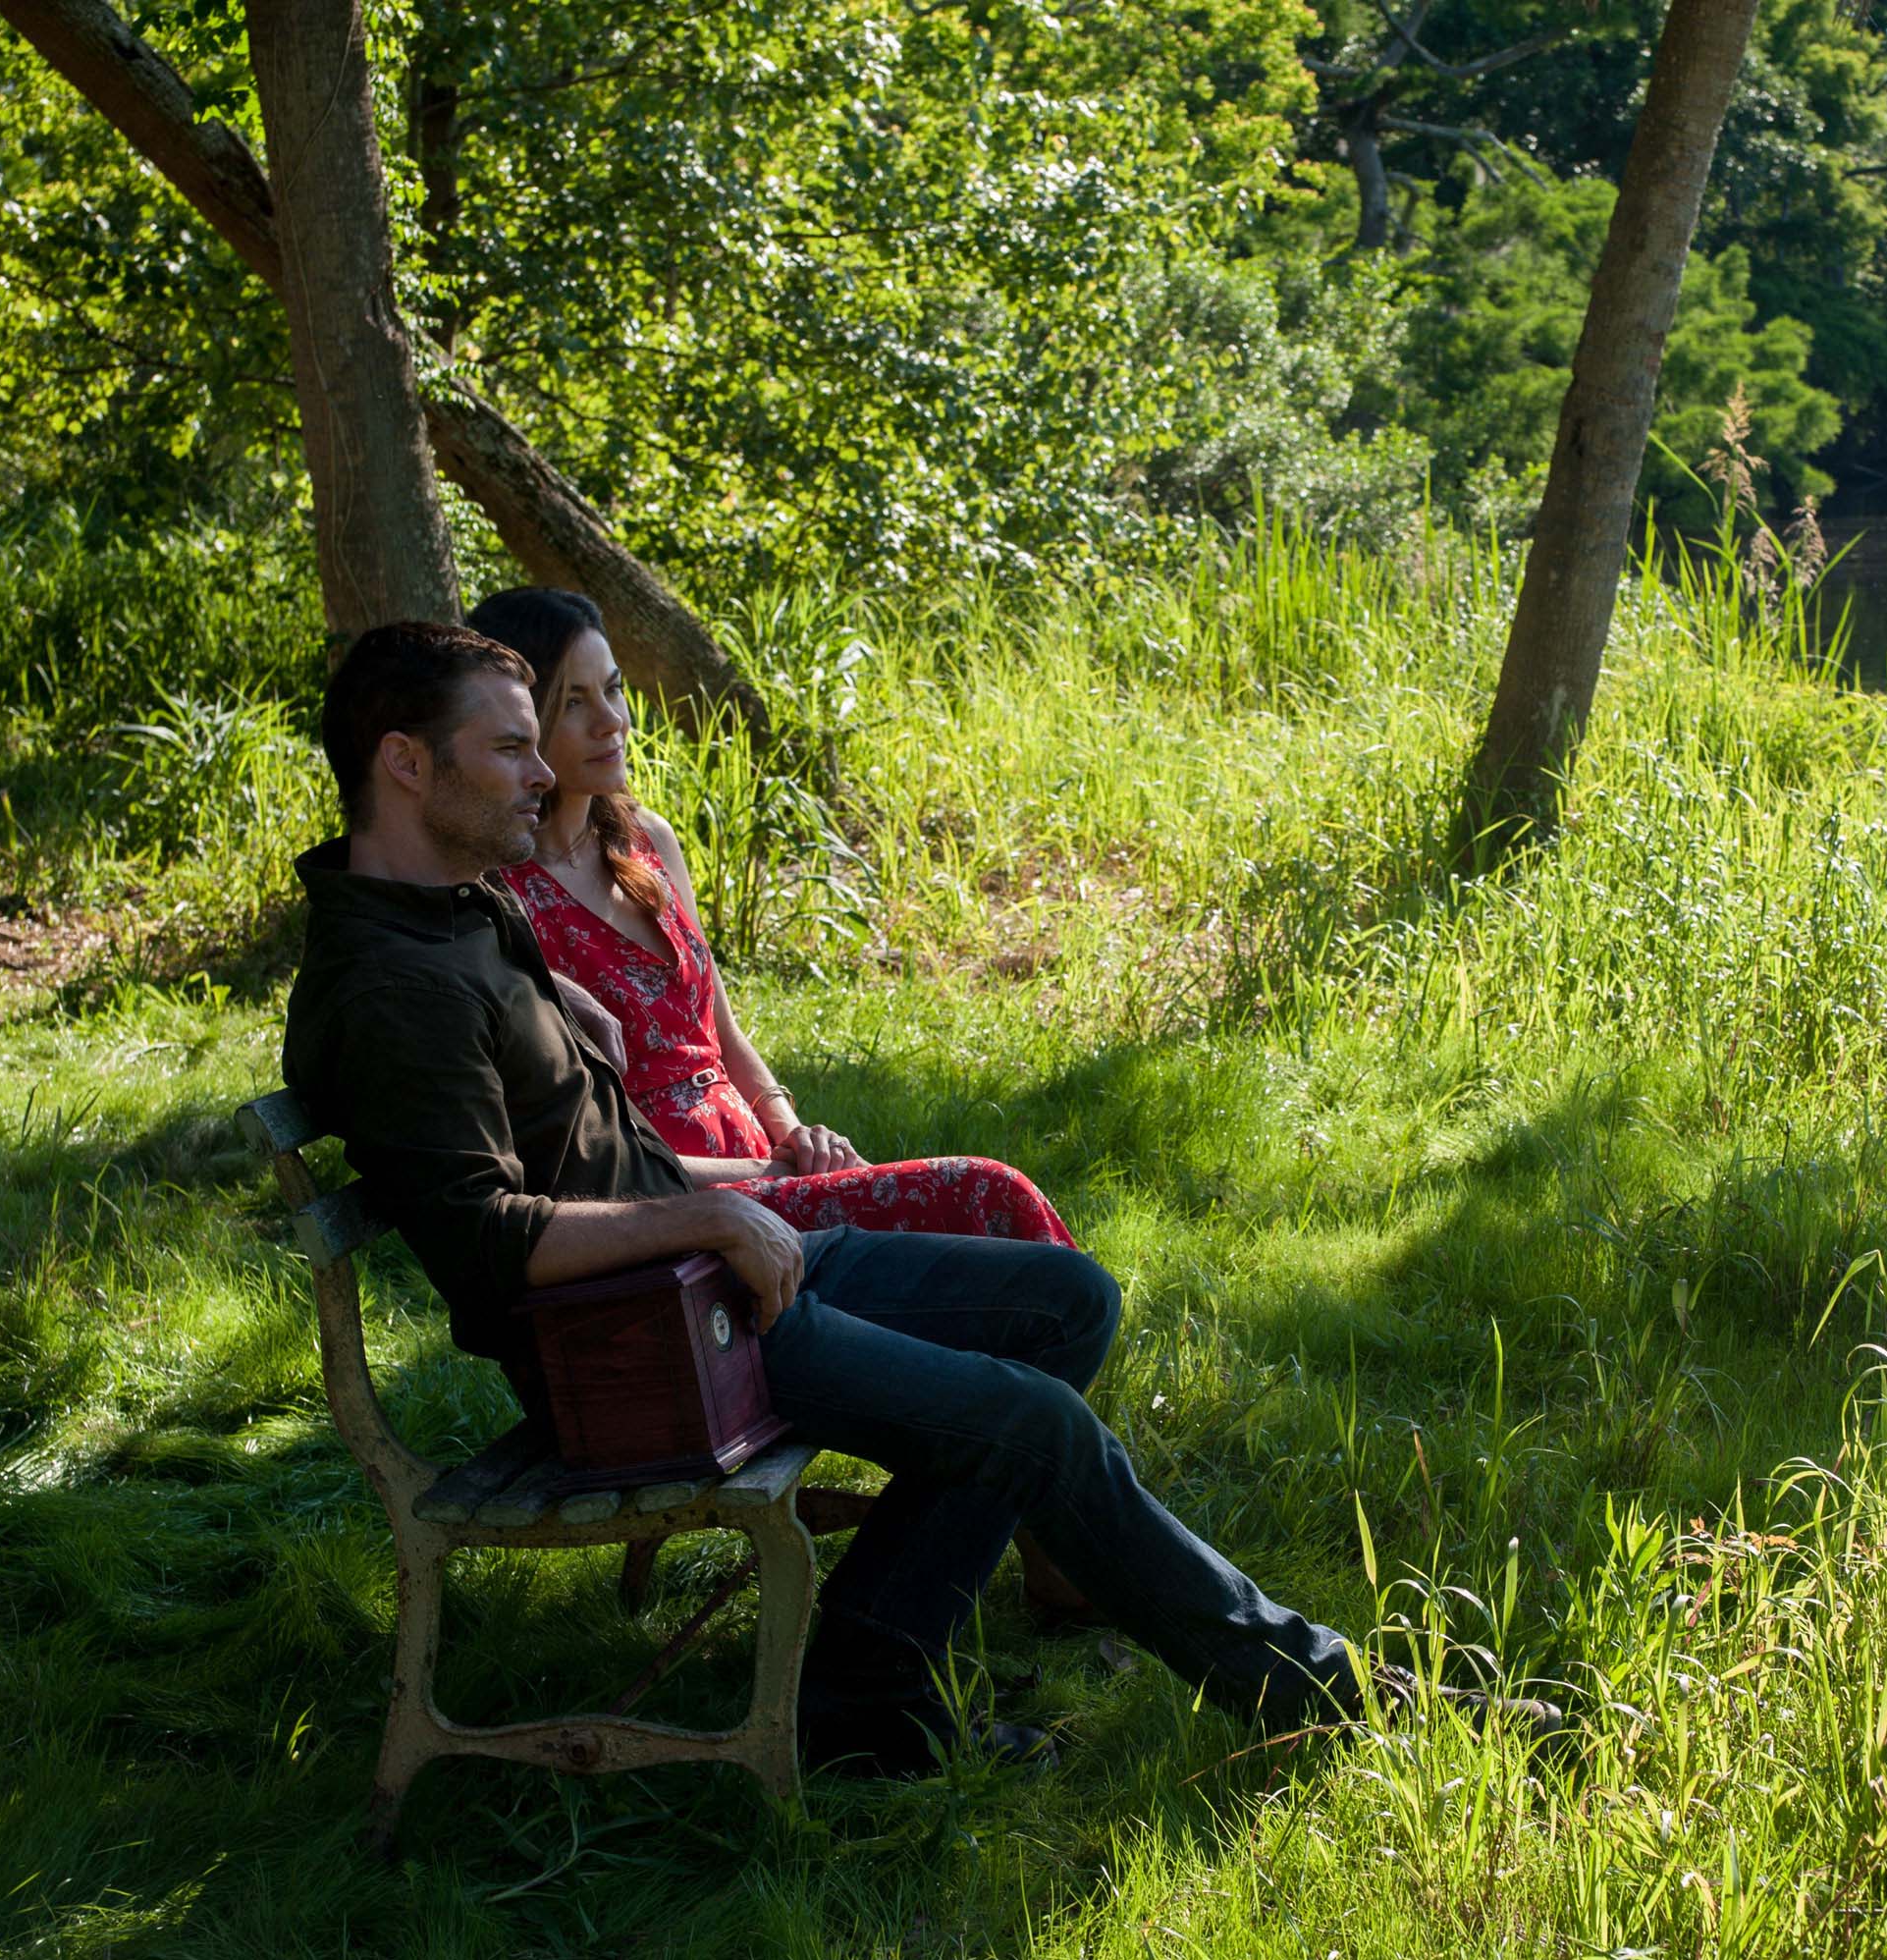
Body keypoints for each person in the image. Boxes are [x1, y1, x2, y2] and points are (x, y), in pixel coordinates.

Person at [280, 622, 1555, 1775]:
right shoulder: (393, 984)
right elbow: (484, 1240)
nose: (539, 775)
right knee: (1032, 1428)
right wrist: (718, 1212)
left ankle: (866, 1687)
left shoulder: (445, 914)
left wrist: (612, 1056)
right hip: (644, 1339)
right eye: (509, 748)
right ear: (404, 762)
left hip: (710, 1277)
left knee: (1061, 1303)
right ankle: (1319, 1695)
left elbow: (569, 1087)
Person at [464, 585, 1072, 1249]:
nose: (610, 720)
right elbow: (587, 1138)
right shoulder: (502, 897)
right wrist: (767, 1171)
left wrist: (795, 1132)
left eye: (612, 689)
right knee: (986, 1194)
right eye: (572, 702)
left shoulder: (647, 842)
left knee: (970, 1229)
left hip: (760, 1159)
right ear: (520, 721)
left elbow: (720, 1031)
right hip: (671, 1200)